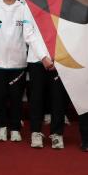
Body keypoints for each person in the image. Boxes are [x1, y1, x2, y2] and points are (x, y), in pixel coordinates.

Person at [0, 0, 44, 143]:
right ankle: (2, 127)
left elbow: (27, 34)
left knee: (16, 97)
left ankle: (15, 128)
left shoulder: (23, 9)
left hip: (18, 61)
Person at [26, 10, 63, 149]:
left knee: (58, 98)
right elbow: (28, 33)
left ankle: (57, 134)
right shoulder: (29, 3)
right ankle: (36, 132)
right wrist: (43, 56)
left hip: (59, 59)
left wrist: (57, 55)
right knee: (36, 98)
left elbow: (67, 31)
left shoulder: (61, 1)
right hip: (36, 59)